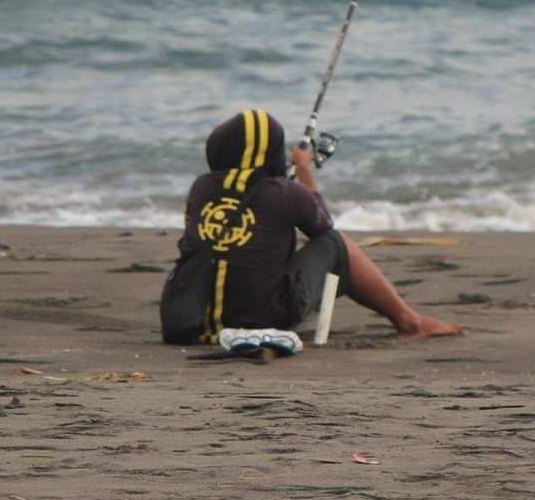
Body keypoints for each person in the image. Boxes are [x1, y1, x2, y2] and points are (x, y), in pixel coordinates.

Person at [160, 109, 461, 344]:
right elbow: (322, 225)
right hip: (263, 320)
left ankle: (221, 320)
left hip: (190, 319)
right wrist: (304, 172)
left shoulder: (201, 188)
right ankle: (409, 322)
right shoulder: (285, 193)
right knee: (336, 242)